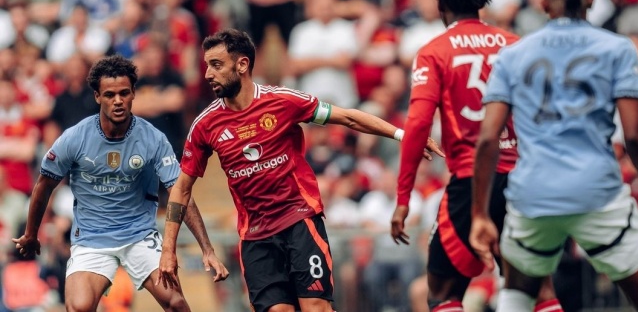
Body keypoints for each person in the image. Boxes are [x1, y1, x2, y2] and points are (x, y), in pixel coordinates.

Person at [156, 28, 443, 312]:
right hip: (256, 237)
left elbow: (347, 118)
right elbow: (181, 188)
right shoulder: (205, 125)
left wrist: (404, 135)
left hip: (299, 222)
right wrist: (168, 249)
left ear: (242, 64)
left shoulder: (282, 101)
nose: (208, 74)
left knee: (315, 307)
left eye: (216, 65)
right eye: (207, 66)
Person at [469, 0, 638, 312]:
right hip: (596, 192)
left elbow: (488, 139)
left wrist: (480, 213)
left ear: (543, 3)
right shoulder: (618, 49)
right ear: (591, 0)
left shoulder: (512, 55)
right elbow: (635, 136)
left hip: (532, 195)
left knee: (518, 296)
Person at [390, 0, 560, 312]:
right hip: (525, 179)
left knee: (442, 291)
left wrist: (404, 196)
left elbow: (419, 123)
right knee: (539, 289)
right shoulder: (516, 45)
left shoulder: (434, 51)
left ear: (441, 5)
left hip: (472, 183)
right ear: (483, 1)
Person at [12, 55, 229, 312]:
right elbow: (44, 184)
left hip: (139, 235)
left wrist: (207, 249)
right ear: (97, 97)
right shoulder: (75, 138)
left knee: (177, 304)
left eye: (124, 93)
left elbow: (180, 193)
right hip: (92, 238)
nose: (117, 101)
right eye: (109, 94)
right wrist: (31, 233)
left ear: (133, 93)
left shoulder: (153, 139)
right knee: (78, 307)